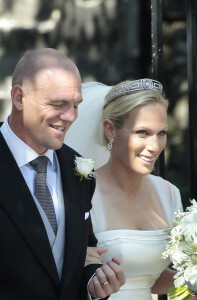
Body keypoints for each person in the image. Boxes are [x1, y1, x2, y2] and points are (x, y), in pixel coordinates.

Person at [0, 48, 125, 300]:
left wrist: (94, 281)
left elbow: (84, 253)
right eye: (58, 104)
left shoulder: (79, 169)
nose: (70, 117)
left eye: (75, 106)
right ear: (19, 98)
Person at [65, 79, 197, 300]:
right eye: (142, 132)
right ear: (111, 130)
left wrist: (196, 282)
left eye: (161, 133)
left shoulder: (168, 193)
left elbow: (148, 277)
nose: (155, 146)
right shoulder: (84, 191)